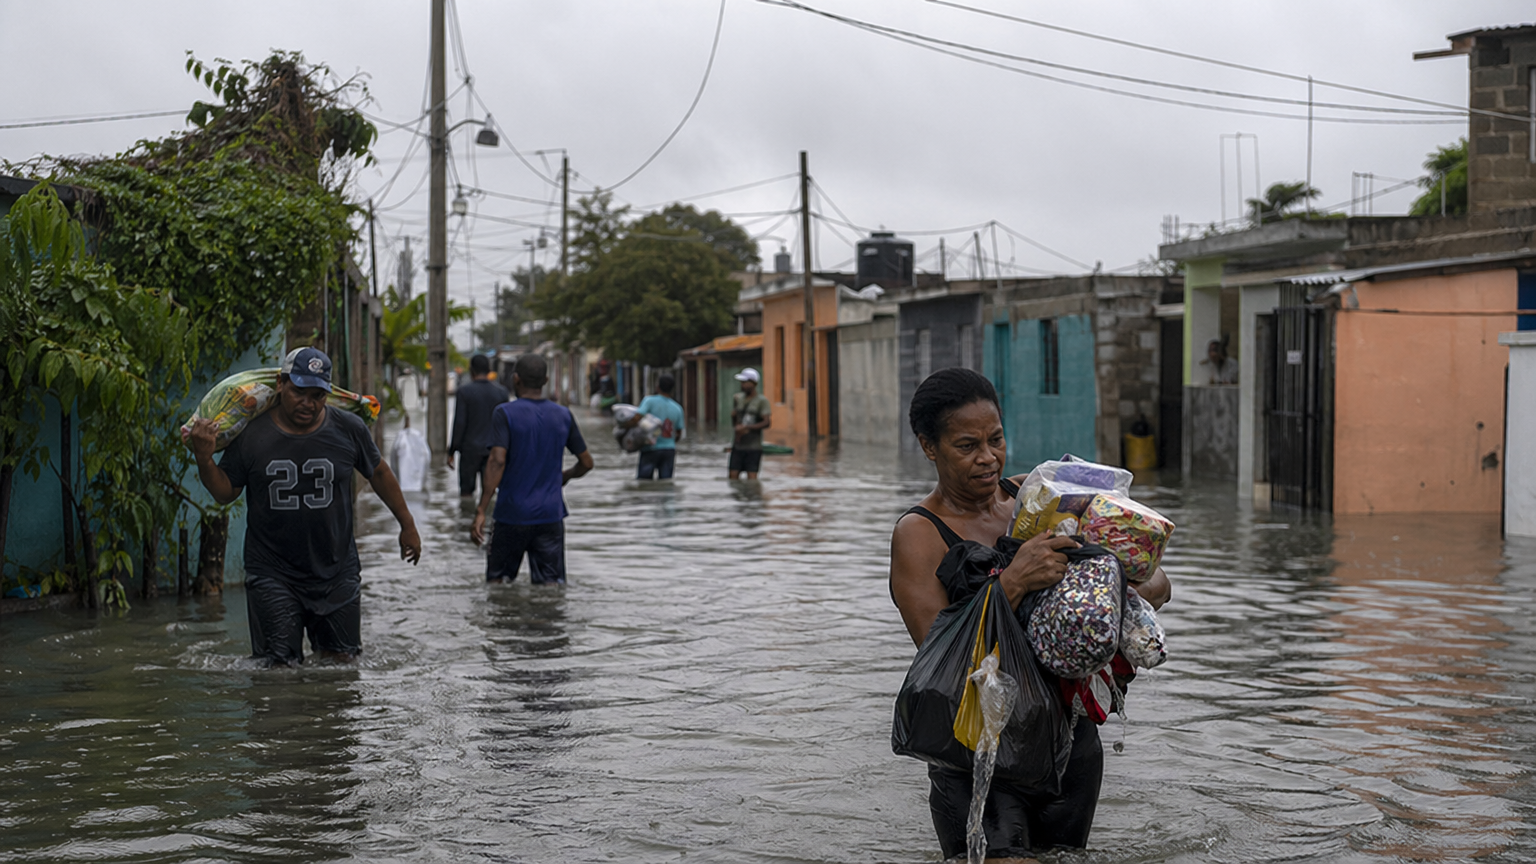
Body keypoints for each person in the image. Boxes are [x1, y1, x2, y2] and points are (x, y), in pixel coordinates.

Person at [888, 367, 1171, 862]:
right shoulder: (919, 533)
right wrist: (1014, 581)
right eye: (966, 445)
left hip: (1070, 745)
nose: (987, 458)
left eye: (996, 439)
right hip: (979, 752)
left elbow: (1157, 585)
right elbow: (941, 654)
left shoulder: (1039, 498)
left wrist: (1107, 574)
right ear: (929, 447)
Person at [186, 347, 422, 667]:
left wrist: (407, 525)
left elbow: (378, 471)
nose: (307, 403)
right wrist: (203, 459)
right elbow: (225, 492)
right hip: (272, 573)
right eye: (299, 392)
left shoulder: (349, 429)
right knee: (277, 672)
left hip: (337, 572)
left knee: (341, 668)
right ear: (281, 384)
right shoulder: (252, 435)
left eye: (317, 395)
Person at [471, 354, 594, 584]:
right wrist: (565, 476)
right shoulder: (563, 415)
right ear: (546, 380)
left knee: (499, 585)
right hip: (550, 515)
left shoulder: (504, 413)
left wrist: (481, 509)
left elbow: (497, 461)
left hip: (511, 515)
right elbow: (587, 463)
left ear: (516, 379)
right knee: (550, 589)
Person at [448, 353, 510, 498]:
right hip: (494, 452)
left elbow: (460, 423)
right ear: (489, 370)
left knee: (466, 494)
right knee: (490, 493)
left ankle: (466, 519)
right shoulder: (501, 393)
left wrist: (452, 451)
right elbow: (507, 425)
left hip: (469, 451)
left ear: (472, 371)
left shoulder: (464, 392)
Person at [636, 374, 686, 480]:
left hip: (650, 448)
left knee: (644, 483)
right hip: (669, 450)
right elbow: (678, 433)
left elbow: (637, 417)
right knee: (666, 483)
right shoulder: (678, 408)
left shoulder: (649, 401)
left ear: (657, 387)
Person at [727, 368, 771, 480]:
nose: (742, 385)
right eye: (742, 383)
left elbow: (766, 422)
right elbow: (735, 424)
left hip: (753, 447)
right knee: (732, 476)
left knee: (752, 478)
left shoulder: (762, 401)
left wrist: (748, 428)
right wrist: (734, 418)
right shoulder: (738, 398)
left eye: (745, 382)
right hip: (738, 446)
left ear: (754, 383)